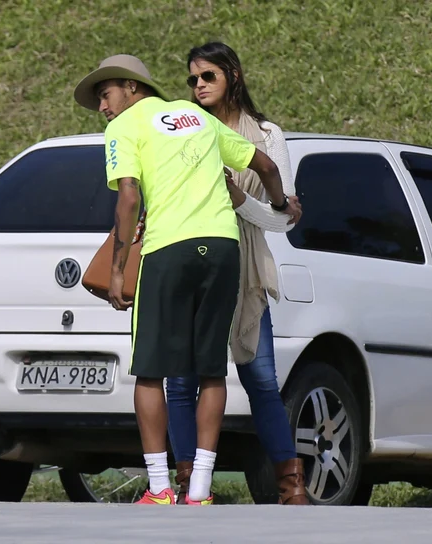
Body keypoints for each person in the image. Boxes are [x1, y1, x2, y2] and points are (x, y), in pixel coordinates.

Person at [73, 54, 299, 505]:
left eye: (105, 94)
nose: (102, 107)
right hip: (222, 248)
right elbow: (266, 168)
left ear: (131, 87)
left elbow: (129, 198)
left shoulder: (123, 128)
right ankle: (199, 491)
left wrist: (118, 270)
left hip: (168, 251)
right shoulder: (193, 114)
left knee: (152, 373)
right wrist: (281, 208)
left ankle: (160, 487)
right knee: (212, 371)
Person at [165, 42, 309, 506]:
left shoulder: (266, 136)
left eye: (208, 76)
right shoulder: (181, 133)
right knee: (182, 381)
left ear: (233, 76)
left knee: (261, 380)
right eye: (192, 79)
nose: (199, 86)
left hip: (246, 269)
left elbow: (282, 217)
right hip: (193, 265)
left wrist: (236, 197)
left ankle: (291, 485)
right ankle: (189, 483)